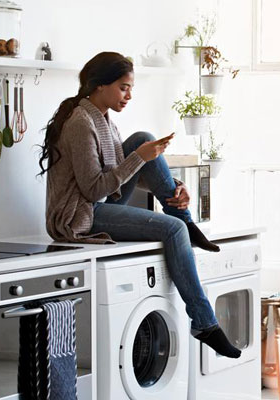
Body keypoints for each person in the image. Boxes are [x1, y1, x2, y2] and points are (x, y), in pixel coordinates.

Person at [39, 51, 240, 358]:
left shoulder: (103, 119)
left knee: (143, 139)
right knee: (173, 230)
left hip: (98, 201)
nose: (129, 95)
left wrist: (176, 185)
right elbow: (93, 190)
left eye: (130, 88)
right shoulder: (81, 123)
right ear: (100, 85)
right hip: (77, 216)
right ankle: (204, 322)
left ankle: (180, 210)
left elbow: (123, 172)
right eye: (123, 87)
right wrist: (141, 157)